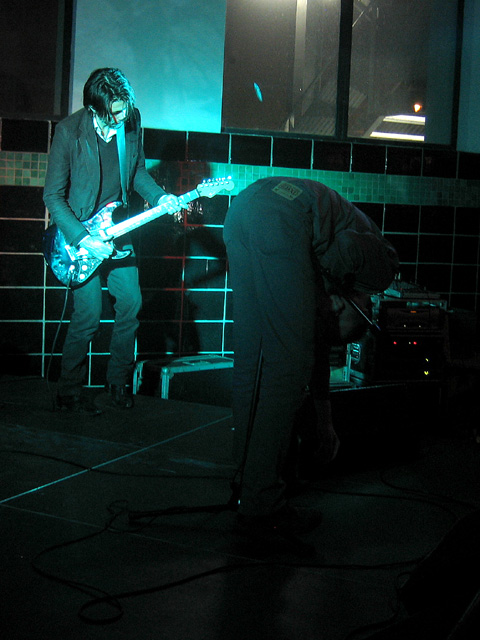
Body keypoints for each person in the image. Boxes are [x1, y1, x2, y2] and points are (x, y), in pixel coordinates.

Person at [223, 177, 399, 537]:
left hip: (242, 210)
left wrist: (324, 421)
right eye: (336, 326)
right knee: (288, 368)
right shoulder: (382, 269)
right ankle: (262, 503)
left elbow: (313, 343)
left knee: (253, 360)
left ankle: (248, 479)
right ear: (354, 308)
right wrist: (320, 287)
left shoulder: (343, 286)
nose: (327, 322)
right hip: (282, 216)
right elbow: (344, 250)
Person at [43, 68, 181, 413]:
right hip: (80, 239)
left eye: (124, 110)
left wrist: (160, 197)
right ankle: (68, 390)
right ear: (94, 108)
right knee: (88, 316)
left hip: (118, 229)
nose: (121, 118)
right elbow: (53, 196)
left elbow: (137, 172)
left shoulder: (131, 120)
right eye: (114, 113)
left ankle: (117, 383)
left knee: (130, 304)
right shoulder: (69, 132)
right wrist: (83, 239)